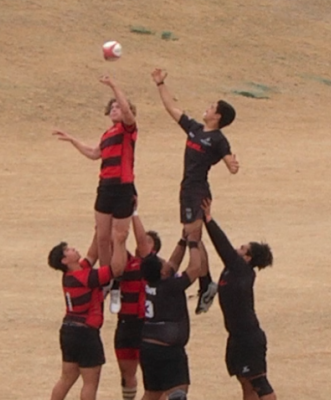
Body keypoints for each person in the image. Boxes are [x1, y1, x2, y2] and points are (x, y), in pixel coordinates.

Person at [151, 67, 239, 315]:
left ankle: (205, 283)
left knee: (192, 237)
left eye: (212, 107)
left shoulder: (218, 140)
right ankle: (205, 284)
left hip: (198, 191)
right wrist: (160, 84)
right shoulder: (195, 129)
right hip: (187, 189)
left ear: (218, 116)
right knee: (193, 237)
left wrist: (233, 165)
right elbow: (172, 109)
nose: (207, 108)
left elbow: (229, 163)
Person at [53, 75, 138, 313]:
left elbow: (128, 113)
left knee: (118, 237)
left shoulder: (128, 130)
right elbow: (93, 153)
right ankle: (106, 280)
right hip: (105, 187)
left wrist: (114, 85)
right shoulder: (108, 133)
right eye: (111, 107)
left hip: (123, 187)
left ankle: (117, 285)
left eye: (118, 106)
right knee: (102, 237)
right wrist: (72, 140)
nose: (114, 109)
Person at [201, 199, 277, 400]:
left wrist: (208, 220)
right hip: (235, 337)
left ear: (248, 258)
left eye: (242, 248)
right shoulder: (232, 270)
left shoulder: (242, 270)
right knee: (245, 384)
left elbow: (222, 246)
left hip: (249, 338)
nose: (237, 248)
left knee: (259, 383)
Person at [47, 230, 128, 400]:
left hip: (68, 331)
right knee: (90, 382)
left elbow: (92, 253)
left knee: (67, 378)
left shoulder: (72, 275)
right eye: (68, 250)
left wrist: (100, 230)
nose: (73, 249)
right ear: (64, 260)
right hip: (86, 333)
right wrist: (119, 243)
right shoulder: (86, 277)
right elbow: (117, 268)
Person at [139, 235, 202, 400]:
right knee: (178, 394)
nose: (166, 262)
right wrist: (194, 242)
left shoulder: (152, 284)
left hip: (148, 348)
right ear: (162, 272)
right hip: (168, 351)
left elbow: (172, 265)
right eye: (162, 262)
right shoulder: (170, 287)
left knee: (152, 394)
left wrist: (182, 240)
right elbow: (195, 268)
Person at [113, 210, 162, 400]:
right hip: (125, 323)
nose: (141, 241)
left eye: (148, 241)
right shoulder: (126, 262)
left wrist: (132, 212)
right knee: (127, 375)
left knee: (154, 378)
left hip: (146, 326)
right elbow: (114, 244)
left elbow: (142, 244)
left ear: (154, 250)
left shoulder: (152, 265)